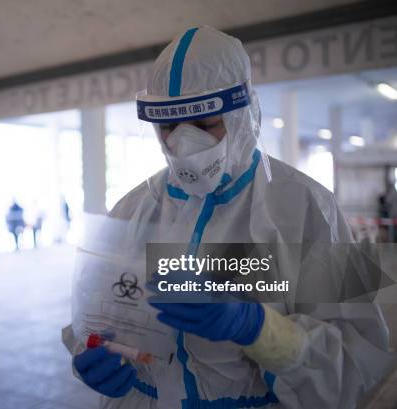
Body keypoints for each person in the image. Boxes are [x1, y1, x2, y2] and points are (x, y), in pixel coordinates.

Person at [63, 26, 394, 408]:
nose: (183, 145)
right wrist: (90, 355)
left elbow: (356, 361)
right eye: (169, 126)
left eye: (205, 126)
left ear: (242, 116)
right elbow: (93, 317)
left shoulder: (307, 206)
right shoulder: (132, 209)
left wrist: (258, 329)